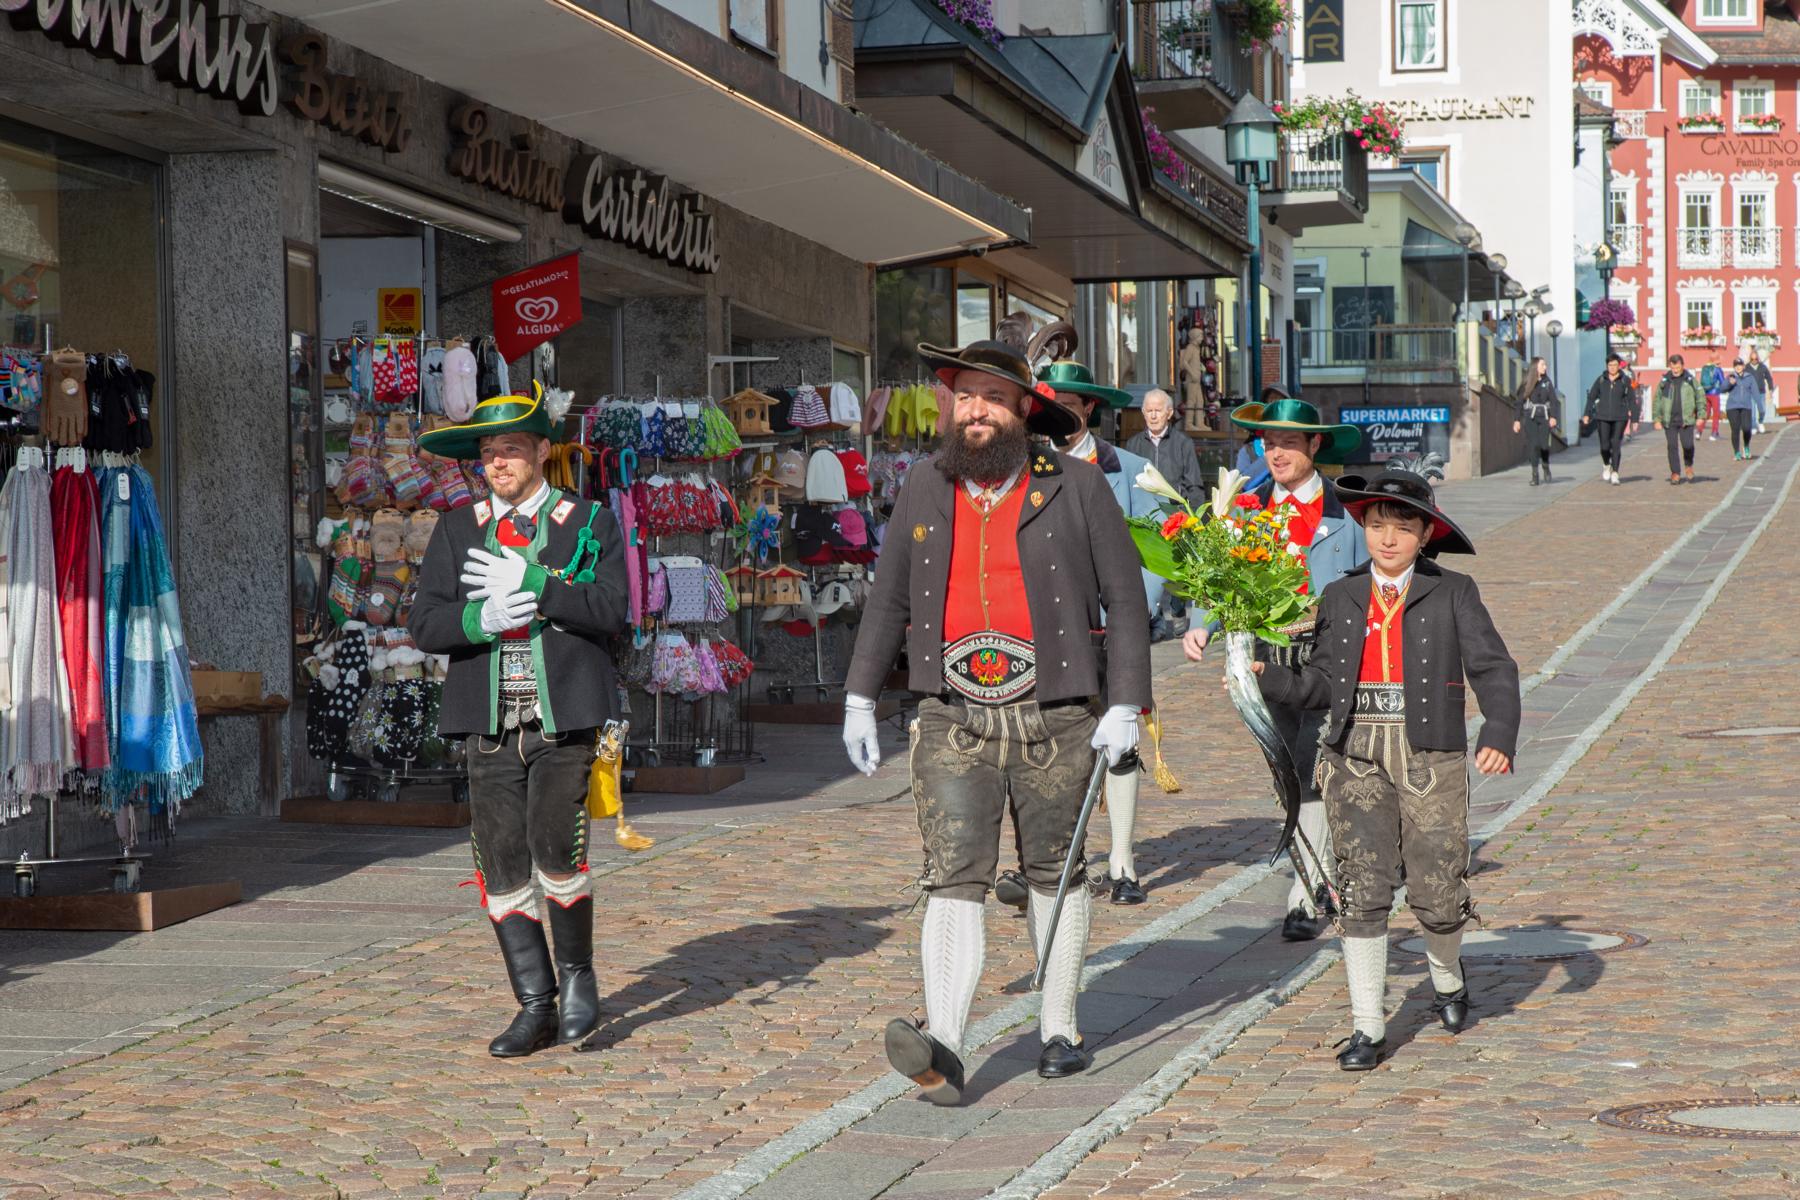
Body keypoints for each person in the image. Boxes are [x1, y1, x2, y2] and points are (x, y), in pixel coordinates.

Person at [841, 336, 1152, 1102]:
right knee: (955, 872)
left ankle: (1059, 1027)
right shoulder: (924, 483)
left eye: (992, 397)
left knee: (1054, 868)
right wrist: (858, 697)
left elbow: (1126, 598)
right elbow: (888, 597)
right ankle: (945, 1044)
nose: (975, 410)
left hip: (1057, 711)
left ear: (1024, 410)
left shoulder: (1077, 485)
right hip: (952, 712)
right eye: (965, 396)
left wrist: (1125, 703)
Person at [1251, 465, 1520, 1071]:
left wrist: (1498, 731)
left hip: (1430, 754)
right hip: (1354, 752)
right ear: (1362, 529)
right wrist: (1270, 679)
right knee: (1361, 887)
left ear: (1426, 534)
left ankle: (1446, 976)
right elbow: (1321, 682)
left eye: (1402, 527)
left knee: (1437, 889)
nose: (1389, 538)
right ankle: (1367, 1026)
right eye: (1377, 526)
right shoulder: (1340, 595)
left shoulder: (1454, 592)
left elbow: (1494, 667)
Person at [410, 385, 630, 1058]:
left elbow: (612, 610)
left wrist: (539, 588)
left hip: (563, 718)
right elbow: (425, 624)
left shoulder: (588, 520)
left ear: (540, 451)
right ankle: (535, 1004)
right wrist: (481, 618)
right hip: (488, 723)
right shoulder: (457, 528)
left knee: (555, 847)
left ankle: (579, 976)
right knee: (501, 861)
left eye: (510, 449)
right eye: (487, 453)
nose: (498, 463)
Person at [1181, 396, 1366, 944]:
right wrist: (1201, 623)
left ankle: (1305, 894)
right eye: (1269, 443)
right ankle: (1319, 872)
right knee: (1286, 769)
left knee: (1316, 764)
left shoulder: (1347, 510)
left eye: (1289, 442)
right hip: (1269, 657)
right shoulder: (1247, 507)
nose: (1277, 453)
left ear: (1315, 444)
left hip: (1329, 656)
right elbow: (1220, 572)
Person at [1036, 359, 1163, 906]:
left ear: (1088, 407)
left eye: (1068, 404)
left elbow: (1157, 551)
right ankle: (1056, 856)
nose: (1059, 414)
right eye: (1050, 405)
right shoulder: (1026, 470)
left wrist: (1132, 616)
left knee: (1121, 744)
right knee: (1050, 743)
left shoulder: (1128, 470)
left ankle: (1123, 862)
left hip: (1109, 629)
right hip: (1047, 630)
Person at [1126, 388, 1204, 640]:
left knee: (1177, 570)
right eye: (1148, 410)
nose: (1153, 415)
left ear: (1169, 413)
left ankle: (1178, 609)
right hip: (1144, 516)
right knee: (1147, 571)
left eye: (1158, 410)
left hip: (1175, 515)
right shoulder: (1134, 444)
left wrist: (1193, 517)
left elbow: (1194, 483)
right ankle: (1155, 621)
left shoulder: (1183, 443)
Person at [1582, 353, 1634, 485]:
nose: (1612, 367)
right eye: (1610, 365)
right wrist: (1587, 414)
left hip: (1620, 417)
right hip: (1603, 417)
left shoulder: (1625, 380)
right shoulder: (1601, 380)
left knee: (1616, 444)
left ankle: (1615, 472)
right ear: (1607, 366)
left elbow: (1632, 399)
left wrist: (1635, 419)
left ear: (1619, 366)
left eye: (1614, 365)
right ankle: (1606, 464)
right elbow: (1591, 397)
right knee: (1605, 446)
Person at [1654, 354, 1704, 485]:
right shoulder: (1665, 381)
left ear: (1682, 365)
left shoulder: (1690, 380)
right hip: (1669, 420)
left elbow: (1700, 396)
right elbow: (1657, 400)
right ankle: (1675, 473)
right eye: (1673, 367)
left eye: (1677, 367)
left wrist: (1701, 415)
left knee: (1688, 445)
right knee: (1672, 446)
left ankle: (1688, 464)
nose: (1675, 370)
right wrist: (1657, 419)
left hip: (1686, 419)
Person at [1513, 357, 1558, 486]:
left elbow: (1553, 401)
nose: (1545, 367)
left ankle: (1545, 465)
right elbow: (1519, 402)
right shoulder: (1527, 382)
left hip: (1544, 417)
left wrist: (1553, 417)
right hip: (1530, 417)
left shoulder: (1547, 382)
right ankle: (1535, 475)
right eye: (1543, 365)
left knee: (1544, 445)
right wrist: (1516, 420)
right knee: (1533, 445)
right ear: (1535, 367)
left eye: (1545, 365)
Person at [1726, 357, 1760, 460]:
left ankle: (1746, 446)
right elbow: (1722, 388)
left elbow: (1755, 392)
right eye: (1736, 365)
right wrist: (1729, 383)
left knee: (1746, 428)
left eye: (1740, 365)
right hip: (1732, 407)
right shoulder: (1730, 377)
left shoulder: (1749, 377)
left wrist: (1760, 406)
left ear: (1743, 366)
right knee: (1735, 429)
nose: (1738, 367)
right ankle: (1737, 452)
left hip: (1746, 407)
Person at [1747, 346, 1774, 433]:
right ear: (1750, 359)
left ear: (1758, 358)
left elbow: (1769, 378)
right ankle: (1753, 426)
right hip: (1751, 393)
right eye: (1752, 359)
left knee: (1762, 410)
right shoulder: (1747, 368)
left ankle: (1760, 422)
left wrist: (1770, 388)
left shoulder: (1762, 367)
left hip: (1761, 392)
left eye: (1756, 359)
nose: (1754, 361)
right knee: (1752, 412)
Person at [1699, 353, 1726, 442]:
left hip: (1705, 393)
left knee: (1705, 413)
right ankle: (1714, 433)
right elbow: (1722, 382)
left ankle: (1699, 431)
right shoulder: (1717, 369)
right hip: (1714, 393)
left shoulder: (1704, 368)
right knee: (1716, 414)